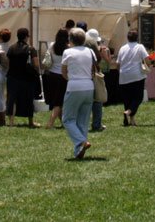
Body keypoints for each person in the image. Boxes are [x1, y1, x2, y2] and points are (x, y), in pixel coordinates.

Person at [60, 28, 98, 159]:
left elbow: (64, 72)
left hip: (74, 86)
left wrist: (70, 79)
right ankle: (79, 150)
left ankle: (82, 142)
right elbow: (94, 69)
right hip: (89, 86)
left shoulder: (67, 52)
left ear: (70, 40)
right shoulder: (90, 51)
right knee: (83, 120)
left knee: (67, 119)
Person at [5, 28, 40, 127]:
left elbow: (7, 63)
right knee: (28, 99)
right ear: (26, 37)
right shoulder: (31, 49)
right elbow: (36, 64)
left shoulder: (11, 48)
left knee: (12, 99)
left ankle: (11, 122)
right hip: (27, 78)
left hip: (12, 77)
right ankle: (30, 122)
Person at [114, 29, 148, 127]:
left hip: (124, 76)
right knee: (138, 97)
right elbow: (147, 60)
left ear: (127, 38)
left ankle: (131, 119)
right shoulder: (140, 47)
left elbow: (117, 64)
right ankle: (128, 112)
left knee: (127, 99)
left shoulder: (122, 48)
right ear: (137, 38)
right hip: (136, 76)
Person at [84, 29, 112, 132]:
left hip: (81, 75)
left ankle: (82, 124)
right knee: (97, 100)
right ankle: (96, 124)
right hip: (92, 74)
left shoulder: (80, 43)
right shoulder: (92, 44)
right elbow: (99, 59)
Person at [43, 28, 70, 129]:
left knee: (57, 101)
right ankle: (50, 123)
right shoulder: (68, 48)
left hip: (52, 75)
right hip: (63, 76)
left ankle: (63, 122)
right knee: (59, 102)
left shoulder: (52, 45)